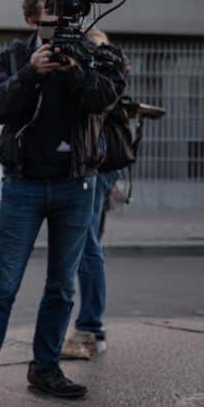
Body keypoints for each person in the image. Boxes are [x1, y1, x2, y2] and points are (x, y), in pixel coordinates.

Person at [0, 0, 125, 407]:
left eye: (65, 10)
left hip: (77, 184)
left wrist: (75, 69)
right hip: (25, 185)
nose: (58, 18)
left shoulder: (94, 54)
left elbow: (105, 99)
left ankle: (45, 368)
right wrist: (30, 73)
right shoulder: (18, 54)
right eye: (49, 11)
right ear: (33, 17)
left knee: (61, 287)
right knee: (3, 285)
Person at [61, 28, 126, 359]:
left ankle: (91, 327)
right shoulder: (107, 67)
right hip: (97, 165)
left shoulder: (101, 68)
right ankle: (91, 326)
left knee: (88, 246)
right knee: (89, 244)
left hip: (94, 165)